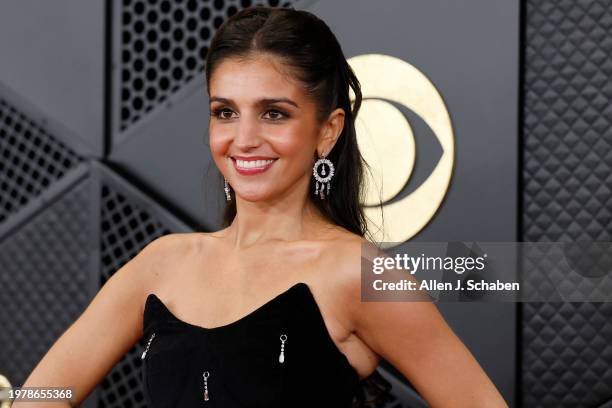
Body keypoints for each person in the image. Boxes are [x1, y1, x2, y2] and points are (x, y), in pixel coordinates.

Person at [15, 6, 508, 408]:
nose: (244, 139)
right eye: (225, 112)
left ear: (328, 131)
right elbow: (44, 395)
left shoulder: (356, 274)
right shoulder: (161, 264)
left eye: (274, 113)